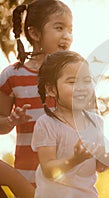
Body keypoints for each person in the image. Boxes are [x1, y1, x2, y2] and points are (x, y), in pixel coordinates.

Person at [31, 50, 109, 198]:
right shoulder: (47, 124)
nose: (82, 87)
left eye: (86, 80)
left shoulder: (96, 122)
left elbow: (100, 165)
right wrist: (74, 160)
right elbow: (48, 169)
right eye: (72, 82)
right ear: (51, 89)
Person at [0, 0, 73, 187]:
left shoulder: (75, 77)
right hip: (28, 182)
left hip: (70, 182)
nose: (67, 36)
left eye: (70, 30)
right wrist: (11, 121)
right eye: (59, 28)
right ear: (34, 33)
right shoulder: (12, 76)